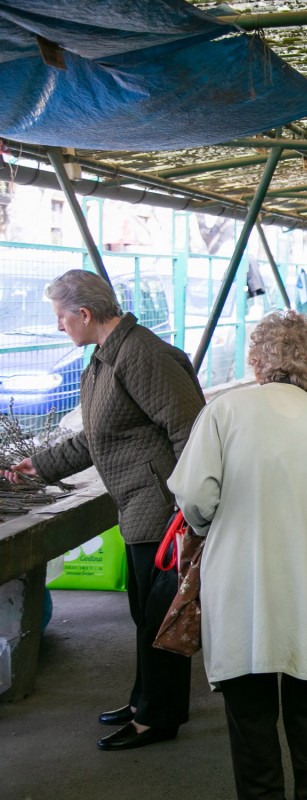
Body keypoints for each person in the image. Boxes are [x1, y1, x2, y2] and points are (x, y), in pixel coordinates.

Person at [167, 311, 307, 799]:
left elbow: (194, 495)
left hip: (242, 586)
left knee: (251, 719)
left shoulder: (224, 412)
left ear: (256, 360)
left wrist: (208, 526)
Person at [4, 269, 205, 750]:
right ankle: (144, 702)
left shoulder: (142, 355)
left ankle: (158, 718)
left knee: (159, 616)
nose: (58, 326)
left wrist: (190, 507)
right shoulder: (105, 359)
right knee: (145, 611)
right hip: (138, 504)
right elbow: (95, 437)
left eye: (60, 317)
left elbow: (190, 429)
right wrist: (40, 465)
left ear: (84, 313)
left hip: (162, 508)